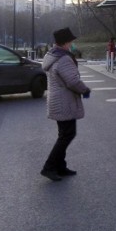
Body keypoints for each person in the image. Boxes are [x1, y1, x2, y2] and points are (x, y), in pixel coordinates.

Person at [41, 27, 91, 182]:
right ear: (65, 42)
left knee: (64, 134)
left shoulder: (52, 54)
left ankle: (60, 166)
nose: (72, 44)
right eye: (70, 41)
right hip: (64, 101)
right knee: (68, 135)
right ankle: (49, 167)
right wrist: (85, 90)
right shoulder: (63, 58)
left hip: (57, 100)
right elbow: (73, 81)